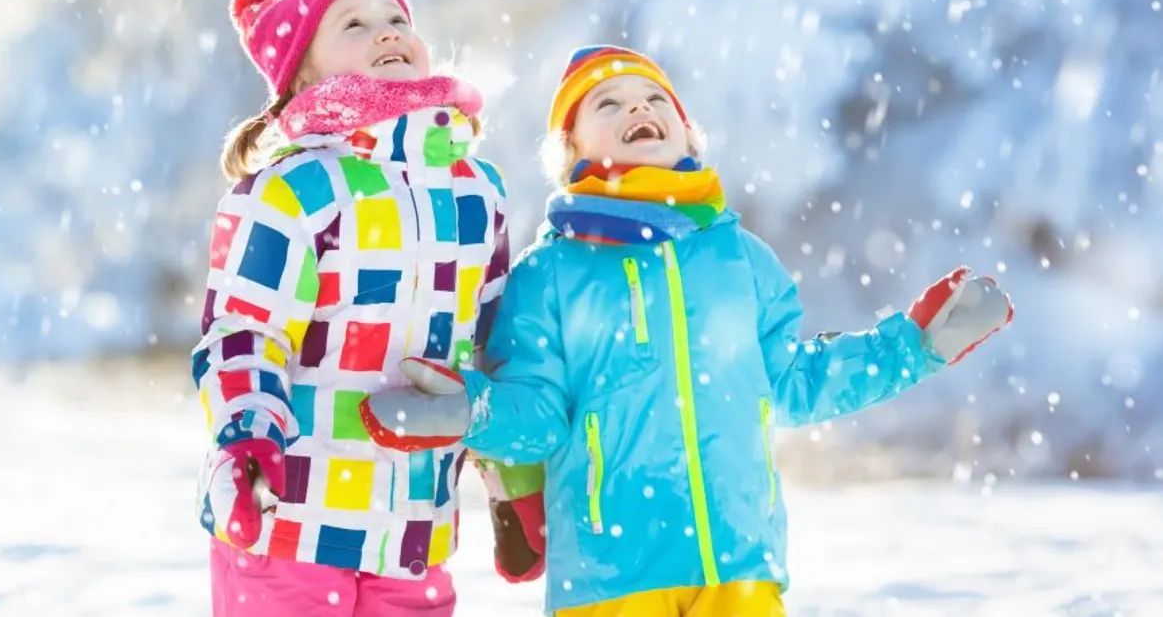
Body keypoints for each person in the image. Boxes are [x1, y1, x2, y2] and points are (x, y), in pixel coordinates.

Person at [361, 44, 1015, 616]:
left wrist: (915, 347)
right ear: (572, 152)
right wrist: (468, 408)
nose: (635, 107)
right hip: (610, 575)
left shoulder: (740, 258)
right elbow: (539, 414)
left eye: (653, 97)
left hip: (738, 564)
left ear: (685, 130)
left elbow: (794, 384)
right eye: (606, 104)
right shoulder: (552, 273)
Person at [191, 0, 517, 616]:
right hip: (288, 520)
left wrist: (512, 475)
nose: (386, 32)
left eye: (396, 20)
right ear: (303, 77)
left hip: (415, 528)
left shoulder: (476, 191)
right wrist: (247, 434)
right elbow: (244, 330)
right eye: (354, 24)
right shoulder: (293, 191)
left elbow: (493, 343)